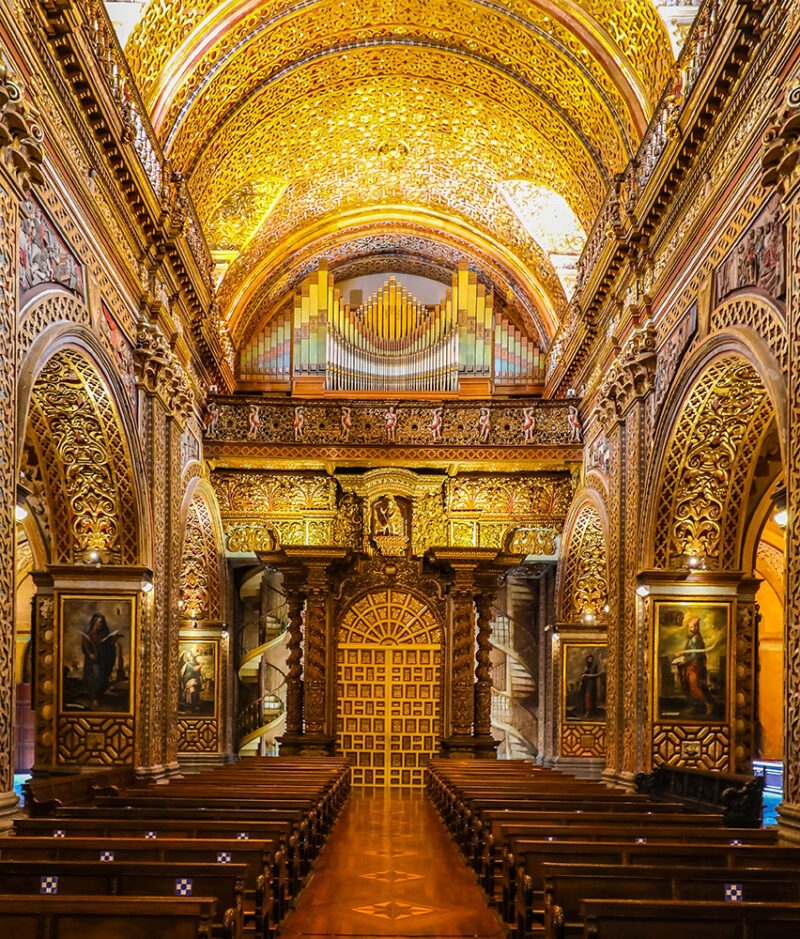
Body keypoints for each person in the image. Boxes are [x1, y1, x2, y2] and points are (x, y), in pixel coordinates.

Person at [673, 616, 714, 716]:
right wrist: (682, 655)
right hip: (691, 667)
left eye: (691, 627)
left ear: (696, 628)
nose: (690, 629)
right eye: (689, 627)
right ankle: (695, 706)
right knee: (690, 688)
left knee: (696, 687)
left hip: (695, 667)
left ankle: (708, 705)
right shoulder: (693, 639)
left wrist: (684, 661)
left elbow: (695, 655)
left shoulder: (696, 639)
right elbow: (690, 652)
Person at [81, 612, 118, 708]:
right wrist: (90, 653)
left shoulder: (103, 634)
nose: (100, 625)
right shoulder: (89, 634)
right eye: (99, 622)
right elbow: (85, 645)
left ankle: (99, 697)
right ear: (94, 622)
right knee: (95, 678)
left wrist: (112, 642)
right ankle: (94, 698)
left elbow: (107, 646)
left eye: (101, 623)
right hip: (92, 661)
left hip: (102, 661)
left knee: (102, 678)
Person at [579, 653, 600, 718]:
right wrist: (582, 677)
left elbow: (595, 675)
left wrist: (586, 675)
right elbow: (583, 674)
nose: (590, 660)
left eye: (591, 659)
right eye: (589, 659)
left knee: (588, 696)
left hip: (591, 683)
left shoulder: (594, 666)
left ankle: (589, 711)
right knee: (583, 696)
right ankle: (584, 710)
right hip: (585, 683)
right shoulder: (586, 666)